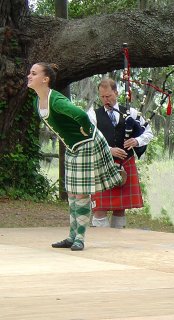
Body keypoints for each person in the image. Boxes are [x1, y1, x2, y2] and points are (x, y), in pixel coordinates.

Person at [27, 62, 123, 251]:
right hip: (72, 146)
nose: (29, 76)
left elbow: (81, 115)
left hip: (86, 144)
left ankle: (80, 238)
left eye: (34, 73)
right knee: (72, 192)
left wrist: (86, 133)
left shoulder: (56, 100)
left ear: (45, 79)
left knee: (81, 193)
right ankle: (71, 236)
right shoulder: (37, 102)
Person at [87, 79, 153, 228]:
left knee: (120, 208)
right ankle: (101, 243)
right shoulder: (93, 115)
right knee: (99, 209)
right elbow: (89, 139)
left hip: (125, 164)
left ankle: (118, 243)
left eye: (109, 96)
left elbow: (148, 132)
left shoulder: (131, 113)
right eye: (102, 97)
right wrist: (108, 150)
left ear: (116, 93)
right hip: (102, 164)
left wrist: (136, 141)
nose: (105, 100)